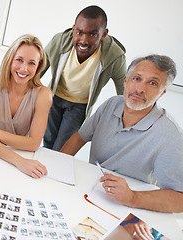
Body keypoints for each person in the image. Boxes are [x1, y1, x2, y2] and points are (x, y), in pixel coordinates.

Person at [61, 55, 183, 213]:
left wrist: (132, 197)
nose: (139, 89)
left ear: (162, 92)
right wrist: (56, 167)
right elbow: (79, 138)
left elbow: (179, 199)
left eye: (152, 83)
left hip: (130, 208)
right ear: (126, 82)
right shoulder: (112, 104)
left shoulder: (170, 134)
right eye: (136, 78)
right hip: (90, 193)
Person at [42, 5, 127, 151]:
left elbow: (124, 88)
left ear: (104, 34)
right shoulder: (60, 41)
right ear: (73, 28)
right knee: (48, 142)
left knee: (62, 149)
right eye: (79, 32)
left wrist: (125, 120)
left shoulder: (114, 55)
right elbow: (38, 69)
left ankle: (53, 171)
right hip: (54, 98)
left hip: (79, 106)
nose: (84, 40)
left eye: (93, 34)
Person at [0, 34, 52, 178]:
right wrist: (19, 161)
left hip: (25, 160)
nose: (24, 69)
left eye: (32, 63)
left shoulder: (43, 95)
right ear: (9, 60)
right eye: (19, 60)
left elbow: (33, 143)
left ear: (38, 66)